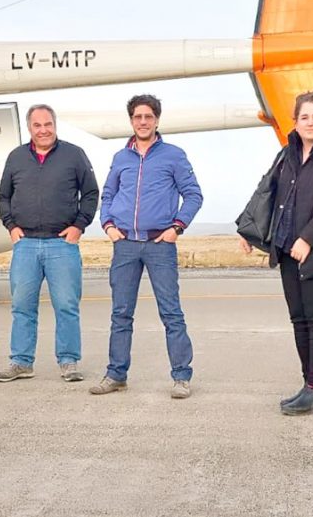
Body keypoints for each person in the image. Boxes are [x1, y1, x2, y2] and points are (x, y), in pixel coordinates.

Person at [238, 90, 313, 416]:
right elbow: (267, 192)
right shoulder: (287, 154)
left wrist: (308, 239)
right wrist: (248, 230)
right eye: (304, 117)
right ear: (295, 121)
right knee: (299, 320)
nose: (310, 122)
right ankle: (309, 386)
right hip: (288, 251)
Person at [90, 94, 203, 399]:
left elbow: (193, 194)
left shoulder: (173, 155)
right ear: (131, 121)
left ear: (157, 120)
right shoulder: (121, 158)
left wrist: (177, 227)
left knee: (171, 313)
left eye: (148, 117)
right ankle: (116, 375)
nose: (143, 122)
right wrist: (108, 225)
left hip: (159, 245)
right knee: (121, 313)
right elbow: (108, 195)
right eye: (138, 117)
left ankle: (181, 377)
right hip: (125, 245)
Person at [0, 105, 99, 384]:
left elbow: (90, 193)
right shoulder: (16, 157)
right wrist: (11, 226)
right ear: (29, 128)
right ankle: (21, 362)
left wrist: (79, 226)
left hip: (62, 245)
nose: (43, 130)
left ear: (55, 125)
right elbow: (4, 196)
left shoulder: (74, 154)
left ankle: (69, 362)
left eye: (48, 124)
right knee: (22, 307)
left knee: (66, 306)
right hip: (25, 244)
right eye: (37, 125)